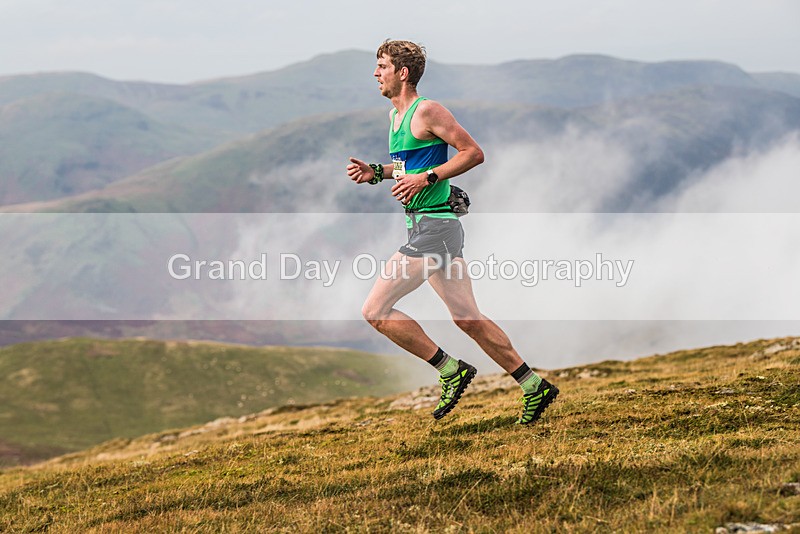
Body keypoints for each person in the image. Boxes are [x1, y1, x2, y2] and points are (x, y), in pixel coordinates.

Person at [346, 39, 558, 425]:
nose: (376, 74)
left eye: (382, 66)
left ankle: (450, 370)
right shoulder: (396, 118)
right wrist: (378, 172)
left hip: (434, 228)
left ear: (402, 73)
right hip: (432, 227)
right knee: (467, 318)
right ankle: (533, 386)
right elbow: (408, 165)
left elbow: (472, 152)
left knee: (375, 311)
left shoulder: (426, 110)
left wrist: (428, 177)